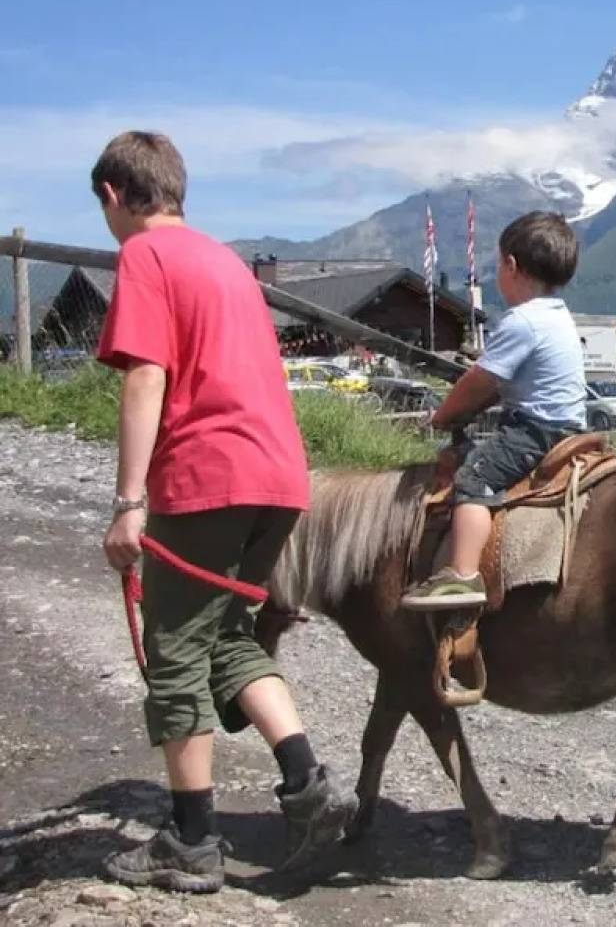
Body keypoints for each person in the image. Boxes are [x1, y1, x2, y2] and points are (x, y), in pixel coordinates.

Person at [91, 131, 358, 894]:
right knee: (225, 639)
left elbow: (146, 376)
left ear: (112, 195)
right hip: (279, 479)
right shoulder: (224, 261)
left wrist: (129, 502)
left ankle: (191, 839)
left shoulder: (145, 255)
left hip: (207, 475)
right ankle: (308, 783)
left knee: (175, 649)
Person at [401, 211, 588, 611]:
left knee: (473, 479)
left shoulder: (522, 321)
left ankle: (461, 576)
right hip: (566, 426)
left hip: (535, 430)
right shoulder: (557, 315)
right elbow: (498, 388)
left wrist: (443, 416)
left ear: (511, 265)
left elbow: (479, 383)